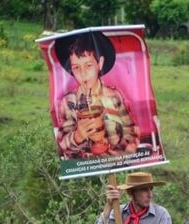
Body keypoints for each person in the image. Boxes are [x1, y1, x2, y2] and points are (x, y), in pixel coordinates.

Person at [54, 31, 139, 159]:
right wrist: (77, 136)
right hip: (85, 170)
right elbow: (64, 146)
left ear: (99, 63)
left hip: (114, 162)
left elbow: (130, 131)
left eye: (88, 66)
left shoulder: (114, 96)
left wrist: (117, 153)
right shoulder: (68, 102)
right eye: (76, 68)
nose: (83, 74)